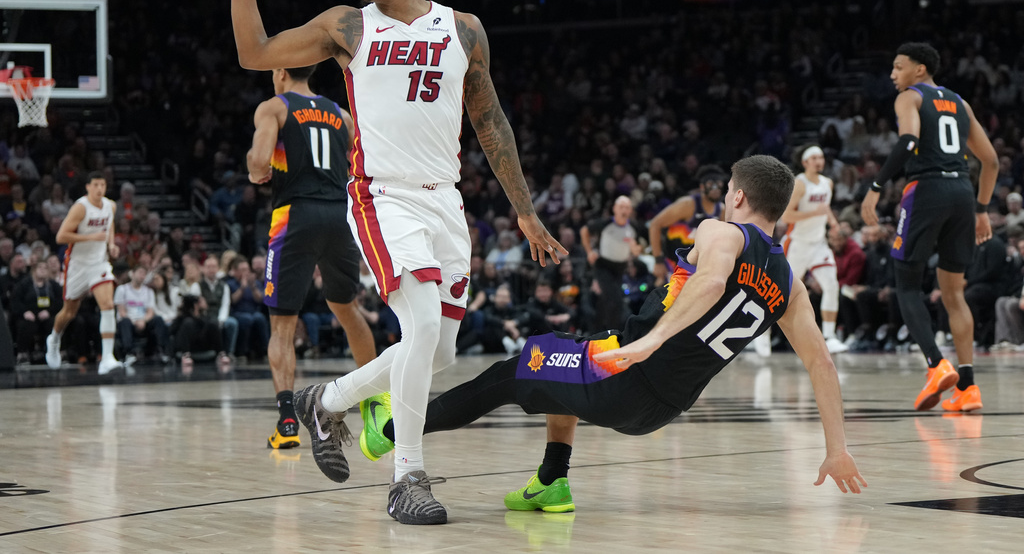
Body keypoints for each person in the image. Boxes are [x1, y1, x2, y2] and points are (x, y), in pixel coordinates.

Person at [231, 0, 563, 525]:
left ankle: (326, 400)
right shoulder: (348, 26)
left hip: (445, 201)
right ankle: (407, 478)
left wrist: (524, 211)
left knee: (440, 352)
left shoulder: (463, 29)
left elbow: (491, 123)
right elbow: (254, 52)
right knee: (422, 324)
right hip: (381, 195)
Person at [357, 155, 867, 515]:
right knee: (563, 349)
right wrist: (836, 448)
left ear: (738, 195)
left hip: (627, 373)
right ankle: (552, 481)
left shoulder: (721, 231)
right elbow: (822, 364)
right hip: (661, 408)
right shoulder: (789, 284)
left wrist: (651, 341)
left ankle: (391, 431)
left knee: (511, 372)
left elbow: (713, 282)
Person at [245, 63, 379, 450]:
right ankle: (375, 407)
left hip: (295, 215)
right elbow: (364, 165)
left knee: (283, 325)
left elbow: (259, 162)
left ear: (281, 71)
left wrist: (257, 170)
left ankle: (287, 422)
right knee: (347, 308)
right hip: (339, 215)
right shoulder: (341, 115)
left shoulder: (274, 107)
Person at [861, 42, 998, 412]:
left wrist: (875, 186)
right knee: (954, 293)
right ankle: (968, 389)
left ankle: (937, 365)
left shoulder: (910, 97)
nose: (893, 74)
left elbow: (908, 141)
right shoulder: (961, 103)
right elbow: (991, 161)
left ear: (919, 69)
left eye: (898, 66)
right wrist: (983, 210)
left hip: (926, 189)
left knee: (905, 283)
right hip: (963, 193)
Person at [45, 171, 123, 374]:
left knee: (107, 305)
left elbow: (109, 224)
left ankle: (107, 358)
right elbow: (61, 236)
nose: (99, 189)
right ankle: (54, 339)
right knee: (69, 312)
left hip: (99, 263)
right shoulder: (80, 208)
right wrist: (90, 237)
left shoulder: (110, 206)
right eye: (95, 185)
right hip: (77, 265)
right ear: (88, 187)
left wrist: (111, 244)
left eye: (102, 185)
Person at [775, 145, 847, 354]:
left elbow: (824, 209)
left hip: (818, 244)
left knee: (831, 285)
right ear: (805, 162)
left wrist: (833, 222)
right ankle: (762, 332)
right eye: (814, 158)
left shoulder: (827, 183)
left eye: (821, 157)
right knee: (782, 291)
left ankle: (829, 336)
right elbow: (787, 216)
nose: (819, 161)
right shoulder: (799, 184)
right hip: (797, 243)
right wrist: (815, 213)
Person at [647, 165, 726, 283]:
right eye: (710, 183)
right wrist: (658, 260)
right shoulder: (688, 204)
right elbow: (655, 225)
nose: (715, 187)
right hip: (673, 265)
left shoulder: (721, 210)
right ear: (702, 186)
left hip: (697, 268)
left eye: (718, 183)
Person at [580, 196, 644, 335]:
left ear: (630, 210)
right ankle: (612, 333)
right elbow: (584, 230)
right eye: (621, 207)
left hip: (620, 267)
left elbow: (638, 249)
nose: (624, 210)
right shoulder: (605, 223)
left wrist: (635, 248)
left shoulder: (633, 227)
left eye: (627, 207)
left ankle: (597, 331)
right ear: (614, 209)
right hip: (603, 265)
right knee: (615, 299)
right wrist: (589, 251)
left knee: (606, 300)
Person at [114, 264, 171, 364]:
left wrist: (143, 321)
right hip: (129, 321)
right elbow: (122, 311)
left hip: (143, 321)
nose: (142, 276)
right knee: (125, 322)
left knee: (158, 319)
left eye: (144, 274)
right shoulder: (122, 289)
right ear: (132, 274)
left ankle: (161, 351)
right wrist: (134, 322)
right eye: (140, 273)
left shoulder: (149, 291)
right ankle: (129, 354)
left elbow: (150, 312)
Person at [10, 260, 63, 365]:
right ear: (34, 270)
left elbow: (60, 301)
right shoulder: (24, 284)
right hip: (29, 315)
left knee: (56, 323)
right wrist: (25, 312)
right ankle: (22, 354)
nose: (43, 270)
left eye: (45, 268)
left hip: (47, 314)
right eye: (40, 268)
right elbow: (15, 300)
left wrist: (49, 311)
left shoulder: (53, 285)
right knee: (26, 325)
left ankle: (56, 352)